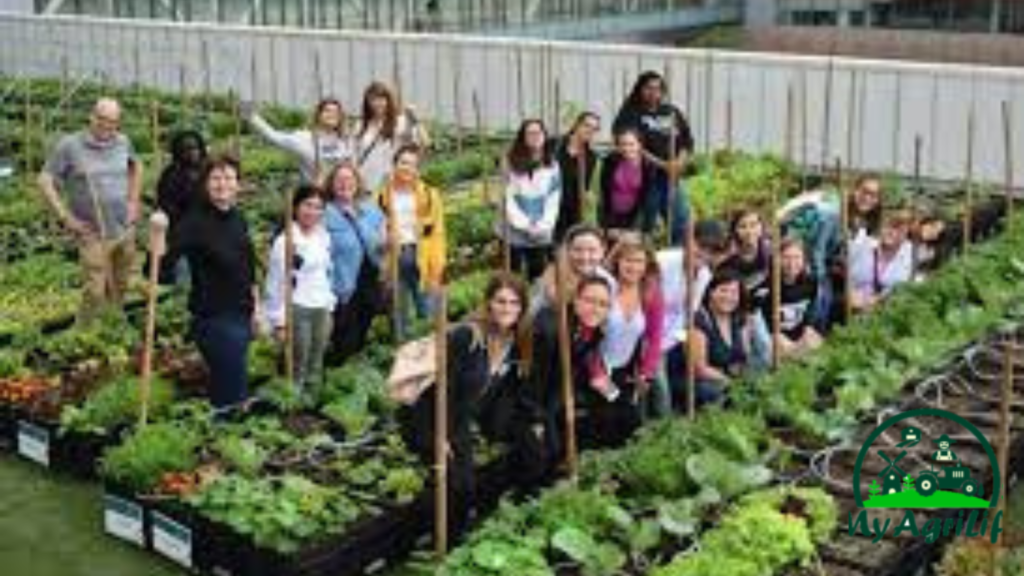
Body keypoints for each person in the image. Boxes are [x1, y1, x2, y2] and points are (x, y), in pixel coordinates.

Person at [399, 273, 541, 539]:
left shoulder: (513, 342)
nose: (507, 309)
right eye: (501, 301)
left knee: (464, 486)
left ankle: (451, 539)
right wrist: (438, 438)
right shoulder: (467, 337)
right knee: (453, 482)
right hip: (428, 418)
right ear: (488, 303)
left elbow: (501, 393)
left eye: (514, 303)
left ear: (522, 308)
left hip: (457, 421)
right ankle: (415, 534)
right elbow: (434, 391)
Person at [166, 156, 259, 410]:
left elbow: (248, 266)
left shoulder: (238, 218)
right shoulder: (194, 223)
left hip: (241, 310)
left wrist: (256, 305)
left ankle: (227, 437)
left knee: (232, 381)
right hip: (213, 316)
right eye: (216, 178)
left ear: (238, 184)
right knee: (231, 387)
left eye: (229, 177)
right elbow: (161, 266)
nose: (223, 184)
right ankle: (227, 432)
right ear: (205, 184)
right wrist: (157, 246)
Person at [38, 97, 143, 323]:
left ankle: (112, 326)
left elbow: (135, 167)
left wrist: (134, 202)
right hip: (92, 232)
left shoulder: (123, 142)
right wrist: (65, 217)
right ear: (91, 116)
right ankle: (84, 334)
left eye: (113, 121)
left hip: (124, 227)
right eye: (102, 119)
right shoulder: (70, 145)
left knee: (121, 284)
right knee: (95, 291)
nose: (107, 125)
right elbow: (45, 180)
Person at [527, 274, 615, 456]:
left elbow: (594, 367)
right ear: (576, 299)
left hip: (556, 396)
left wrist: (612, 394)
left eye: (603, 304)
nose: (595, 309)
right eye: (590, 300)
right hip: (529, 403)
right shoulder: (551, 328)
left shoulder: (591, 331)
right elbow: (532, 381)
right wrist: (537, 421)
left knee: (620, 414)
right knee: (544, 454)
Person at [264, 185, 336, 394]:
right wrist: (279, 321)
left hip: (321, 305)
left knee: (317, 358)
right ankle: (292, 407)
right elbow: (276, 282)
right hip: (296, 306)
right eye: (308, 205)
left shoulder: (323, 236)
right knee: (298, 362)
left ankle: (312, 406)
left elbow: (326, 271)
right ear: (296, 207)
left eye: (318, 207)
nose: (313, 212)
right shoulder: (285, 241)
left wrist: (330, 302)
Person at [612, 71, 693, 244]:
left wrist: (680, 161)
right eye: (649, 88)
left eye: (658, 88)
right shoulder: (631, 114)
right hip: (645, 177)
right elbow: (630, 145)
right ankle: (639, 262)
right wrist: (663, 164)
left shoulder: (671, 112)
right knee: (644, 225)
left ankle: (676, 258)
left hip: (671, 178)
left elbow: (686, 140)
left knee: (680, 223)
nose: (654, 92)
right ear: (640, 89)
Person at [378, 144, 446, 340]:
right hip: (395, 256)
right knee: (399, 311)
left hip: (421, 255)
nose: (407, 168)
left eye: (412, 164)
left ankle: (431, 353)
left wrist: (437, 266)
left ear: (418, 169)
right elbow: (378, 228)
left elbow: (437, 233)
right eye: (403, 162)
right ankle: (402, 352)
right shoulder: (383, 195)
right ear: (395, 164)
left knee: (428, 309)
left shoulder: (430, 195)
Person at [324, 161, 387, 363]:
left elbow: (382, 238)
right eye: (339, 179)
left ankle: (353, 367)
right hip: (342, 283)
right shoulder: (325, 212)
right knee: (344, 334)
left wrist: (387, 241)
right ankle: (339, 368)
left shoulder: (369, 209)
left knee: (365, 323)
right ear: (331, 184)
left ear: (357, 183)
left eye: (349, 179)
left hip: (369, 278)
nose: (345, 183)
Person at [601, 236, 664, 432]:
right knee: (603, 423)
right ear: (617, 260)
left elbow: (655, 338)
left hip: (624, 370)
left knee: (629, 425)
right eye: (628, 260)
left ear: (647, 265)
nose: (633, 266)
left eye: (639, 261)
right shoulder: (604, 287)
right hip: (595, 368)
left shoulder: (651, 294)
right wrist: (598, 375)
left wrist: (646, 372)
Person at [656, 220, 720, 412]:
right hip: (647, 332)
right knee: (660, 387)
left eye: (711, 250)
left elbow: (688, 313)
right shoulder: (662, 262)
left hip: (673, 335)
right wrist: (656, 344)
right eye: (700, 245)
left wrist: (679, 338)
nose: (704, 253)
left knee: (705, 386)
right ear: (688, 240)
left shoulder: (704, 275)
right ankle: (662, 427)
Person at [691, 269, 772, 406]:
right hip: (703, 380)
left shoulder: (739, 318)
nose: (728, 296)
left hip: (729, 375)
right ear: (711, 292)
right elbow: (700, 369)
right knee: (721, 392)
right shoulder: (700, 320)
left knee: (763, 376)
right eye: (723, 290)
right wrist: (731, 382)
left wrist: (744, 376)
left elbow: (743, 355)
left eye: (734, 292)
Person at [500, 119, 562, 281]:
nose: (535, 136)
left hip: (541, 230)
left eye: (538, 133)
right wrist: (525, 224)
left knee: (538, 275)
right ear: (523, 137)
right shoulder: (510, 162)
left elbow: (553, 199)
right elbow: (509, 198)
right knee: (511, 274)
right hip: (513, 229)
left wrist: (543, 225)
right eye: (530, 133)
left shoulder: (552, 165)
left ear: (544, 136)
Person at [246, 97, 352, 185]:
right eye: (327, 110)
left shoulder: (345, 141)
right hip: (316, 197)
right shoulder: (303, 138)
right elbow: (274, 136)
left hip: (342, 195)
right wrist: (252, 117)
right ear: (318, 115)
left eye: (336, 112)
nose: (332, 114)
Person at [355, 82, 430, 194]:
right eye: (373, 100)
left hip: (393, 184)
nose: (377, 103)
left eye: (381, 99)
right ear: (367, 103)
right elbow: (354, 156)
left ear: (388, 101)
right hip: (366, 185)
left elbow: (425, 142)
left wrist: (415, 119)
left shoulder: (401, 122)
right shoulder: (360, 125)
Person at [759, 238, 828, 359]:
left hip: (799, 333)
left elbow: (809, 313)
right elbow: (765, 326)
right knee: (793, 352)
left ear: (804, 260)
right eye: (786, 257)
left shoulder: (811, 283)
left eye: (797, 257)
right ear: (777, 260)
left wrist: (807, 330)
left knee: (819, 346)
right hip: (775, 336)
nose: (791, 263)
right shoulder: (768, 287)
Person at [530, 223, 616, 316]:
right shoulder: (555, 277)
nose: (585, 257)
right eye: (578, 250)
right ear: (568, 250)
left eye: (592, 250)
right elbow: (532, 313)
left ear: (602, 251)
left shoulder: (608, 281)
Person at [156, 129, 207, 284]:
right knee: (185, 277)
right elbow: (166, 207)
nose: (193, 153)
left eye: (196, 148)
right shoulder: (171, 175)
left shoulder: (208, 171)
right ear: (178, 152)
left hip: (208, 233)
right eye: (187, 149)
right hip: (182, 237)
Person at [848, 210, 914, 313]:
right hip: (848, 310)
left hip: (883, 316)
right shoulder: (862, 245)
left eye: (900, 231)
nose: (892, 233)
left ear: (907, 236)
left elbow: (905, 288)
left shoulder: (910, 258)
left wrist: (879, 300)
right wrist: (849, 294)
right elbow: (842, 272)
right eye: (889, 227)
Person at [553, 112, 600, 243]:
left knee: (566, 245)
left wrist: (588, 196)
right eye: (587, 125)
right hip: (549, 206)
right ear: (577, 125)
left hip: (571, 209)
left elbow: (583, 186)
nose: (590, 131)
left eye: (594, 129)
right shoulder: (555, 145)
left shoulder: (590, 157)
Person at [598, 129, 655, 234]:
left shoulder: (648, 166)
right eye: (622, 144)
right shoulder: (610, 161)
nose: (626, 148)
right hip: (612, 214)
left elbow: (647, 195)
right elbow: (604, 189)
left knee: (630, 245)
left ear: (639, 145)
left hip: (636, 215)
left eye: (631, 144)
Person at [721, 208, 772, 305]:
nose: (749, 231)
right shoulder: (727, 263)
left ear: (761, 227)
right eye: (743, 226)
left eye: (753, 225)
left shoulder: (773, 256)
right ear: (735, 231)